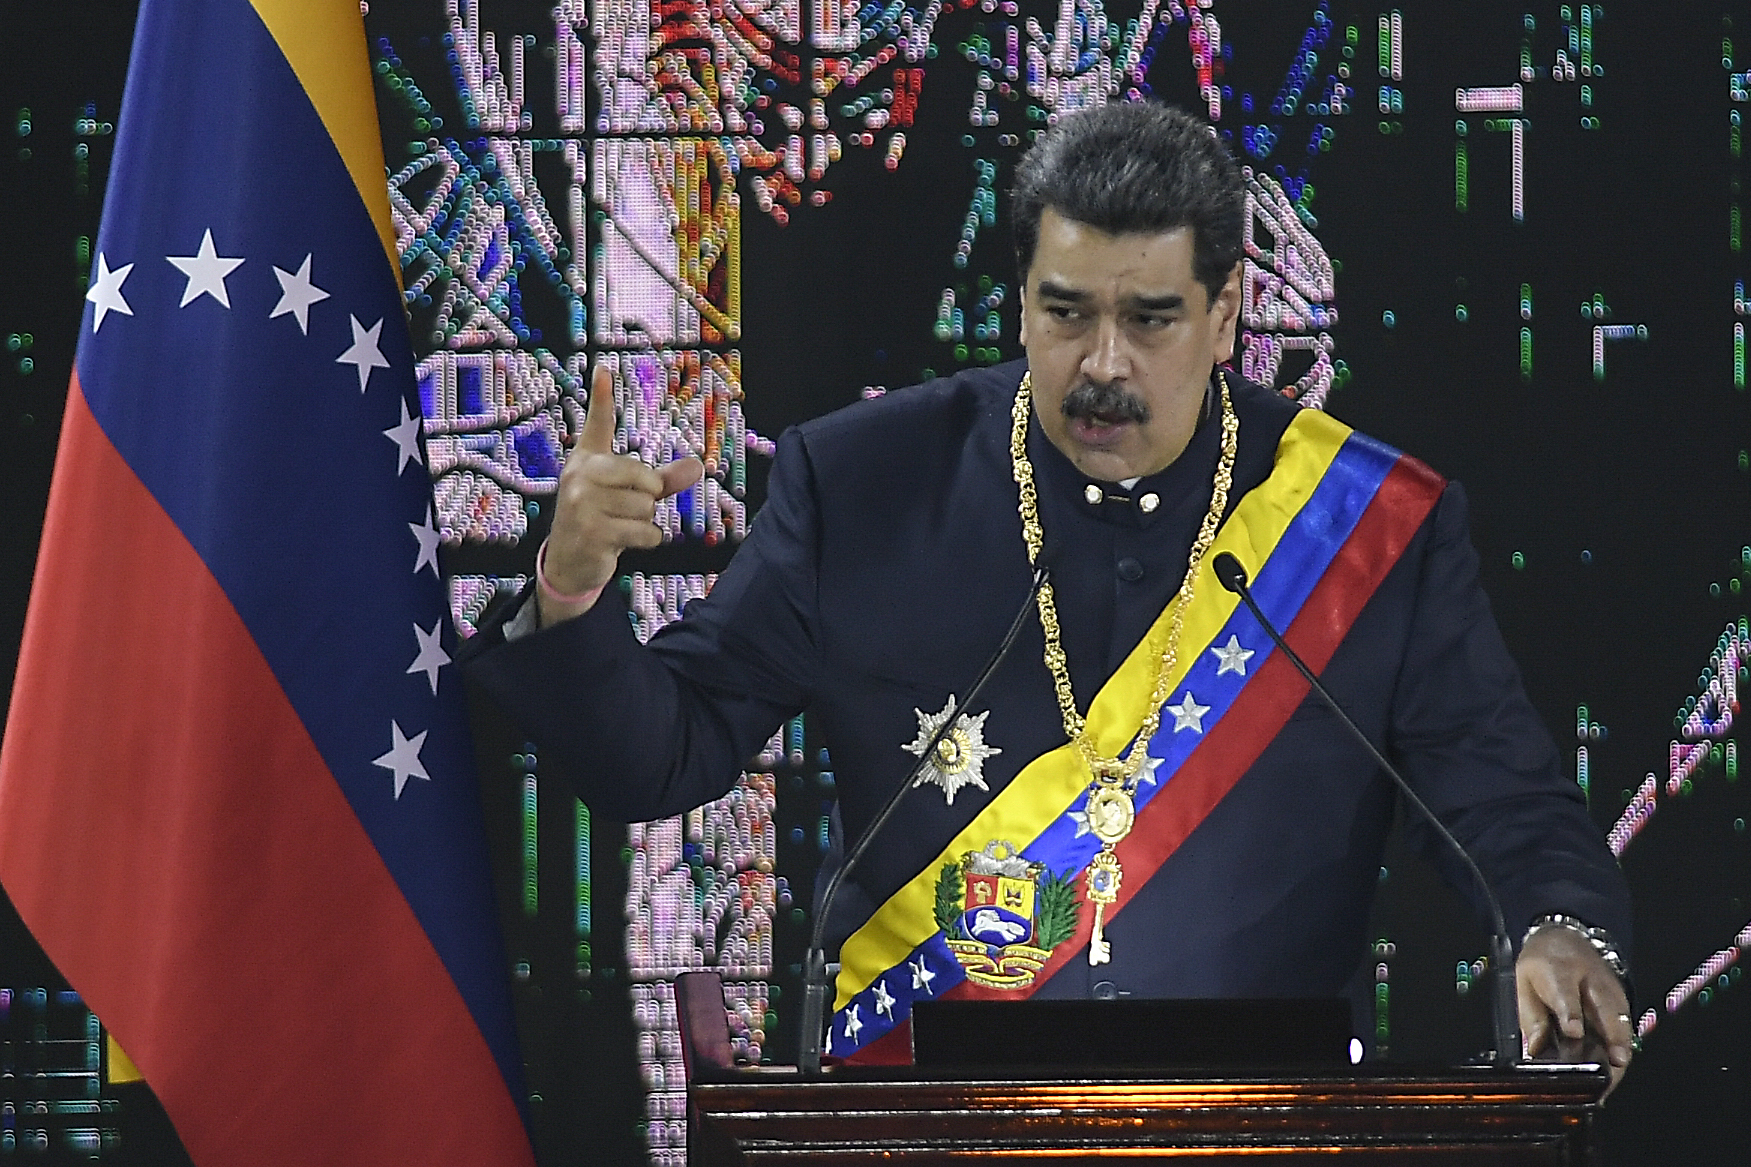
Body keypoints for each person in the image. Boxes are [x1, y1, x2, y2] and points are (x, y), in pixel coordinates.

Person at [463, 101, 1634, 1085]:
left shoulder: (1361, 528)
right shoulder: (860, 482)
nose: (1103, 365)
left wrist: (1559, 931)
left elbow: (1505, 808)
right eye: (1064, 313)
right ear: (1019, 297)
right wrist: (569, 590)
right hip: (922, 1128)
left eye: (1150, 318)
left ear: (1225, 313)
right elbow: (661, 758)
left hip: (1258, 1127)